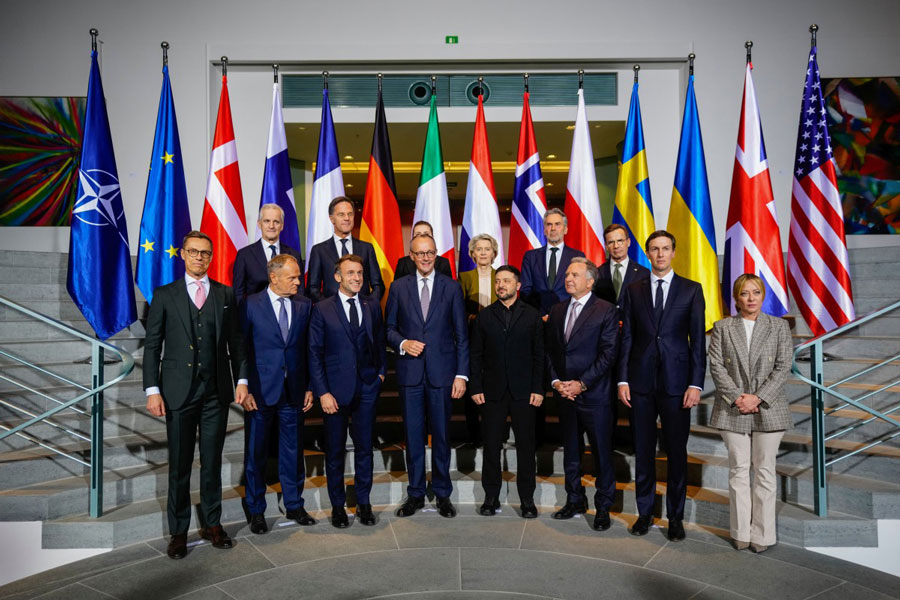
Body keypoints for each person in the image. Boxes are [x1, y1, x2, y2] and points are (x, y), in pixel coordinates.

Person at [143, 230, 249, 559]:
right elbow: (152, 347)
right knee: (179, 464)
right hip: (177, 393)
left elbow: (236, 344)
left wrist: (241, 380)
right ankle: (178, 532)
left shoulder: (225, 294)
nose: (199, 258)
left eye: (205, 253)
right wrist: (152, 389)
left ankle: (212, 524)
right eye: (193, 252)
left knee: (212, 462)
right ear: (183, 255)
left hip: (215, 392)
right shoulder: (163, 294)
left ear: (211, 256)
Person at [618, 230, 706, 541]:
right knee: (643, 451)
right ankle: (645, 514)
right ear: (647, 252)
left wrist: (696, 383)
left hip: (677, 384)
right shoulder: (633, 289)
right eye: (654, 249)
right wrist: (623, 378)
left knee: (676, 453)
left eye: (665, 248)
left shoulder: (691, 290)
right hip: (640, 383)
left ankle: (676, 517)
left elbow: (697, 343)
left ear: (673, 252)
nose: (659, 254)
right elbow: (626, 337)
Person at [708, 273, 794, 553]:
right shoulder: (722, 327)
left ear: (763, 295)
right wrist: (738, 398)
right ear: (736, 297)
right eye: (745, 293)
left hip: (769, 407)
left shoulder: (779, 327)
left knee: (766, 472)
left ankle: (763, 535)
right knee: (738, 471)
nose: (751, 298)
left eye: (756, 292)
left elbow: (783, 367)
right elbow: (717, 367)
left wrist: (758, 397)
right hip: (732, 409)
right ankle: (740, 531)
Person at [385, 234, 469, 518]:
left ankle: (443, 494)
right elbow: (388, 328)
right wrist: (403, 343)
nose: (425, 258)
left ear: (436, 255)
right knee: (414, 436)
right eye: (420, 254)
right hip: (410, 375)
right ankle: (416, 493)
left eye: (430, 253)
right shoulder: (398, 287)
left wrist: (461, 375)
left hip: (442, 375)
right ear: (411, 256)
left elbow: (461, 335)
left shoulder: (452, 287)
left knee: (442, 437)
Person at [240, 254, 315, 535]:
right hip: (259, 391)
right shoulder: (250, 305)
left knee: (293, 453)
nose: (298, 281)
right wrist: (243, 384)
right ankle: (256, 510)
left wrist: (310, 386)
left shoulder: (305, 305)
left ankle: (295, 505)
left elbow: (309, 349)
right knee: (257, 453)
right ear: (274, 277)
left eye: (298, 277)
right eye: (292, 277)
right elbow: (242, 348)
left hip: (294, 391)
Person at [309, 255, 386, 529]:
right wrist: (323, 392)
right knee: (335, 452)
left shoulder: (371, 304)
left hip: (367, 388)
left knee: (365, 449)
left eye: (360, 272)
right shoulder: (322, 308)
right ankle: (338, 506)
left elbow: (379, 342)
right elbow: (314, 354)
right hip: (335, 393)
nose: (356, 277)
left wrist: (380, 374)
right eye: (350, 273)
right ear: (338, 277)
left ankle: (363, 503)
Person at [545, 258, 619, 530]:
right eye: (566, 274)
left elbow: (609, 353)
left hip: (594, 395)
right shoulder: (556, 309)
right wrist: (556, 382)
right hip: (564, 395)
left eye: (574, 275)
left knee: (601, 453)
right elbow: (550, 351)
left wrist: (580, 383)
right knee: (572, 453)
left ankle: (603, 507)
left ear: (590, 281)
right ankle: (575, 499)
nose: (568, 279)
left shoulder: (606, 310)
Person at [469, 265, 544, 518]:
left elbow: (539, 356)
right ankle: (491, 497)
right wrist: (476, 387)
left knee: (526, 446)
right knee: (491, 446)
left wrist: (538, 388)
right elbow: (475, 355)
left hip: (525, 392)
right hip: (492, 392)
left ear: (518, 285)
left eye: (506, 281)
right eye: (497, 281)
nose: (501, 285)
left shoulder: (532, 316)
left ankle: (527, 500)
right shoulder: (485, 316)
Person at [457, 233, 499, 445]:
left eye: (487, 248)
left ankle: (494, 436)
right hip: (472, 339)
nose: (483, 252)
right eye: (479, 249)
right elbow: (457, 310)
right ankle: (474, 436)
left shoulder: (501, 276)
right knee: (473, 388)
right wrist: (475, 318)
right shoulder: (464, 277)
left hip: (498, 342)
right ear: (472, 254)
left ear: (494, 253)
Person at [306, 196, 384, 301]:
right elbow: (312, 288)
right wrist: (328, 308)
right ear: (332, 219)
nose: (347, 218)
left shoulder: (367, 248)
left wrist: (368, 306)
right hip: (331, 314)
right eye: (341, 214)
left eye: (350, 214)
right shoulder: (319, 250)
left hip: (362, 311)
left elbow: (378, 285)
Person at [232, 203, 303, 306]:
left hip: (286, 313)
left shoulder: (294, 254)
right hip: (255, 314)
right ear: (259, 224)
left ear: (282, 226)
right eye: (267, 221)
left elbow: (299, 290)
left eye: (276, 222)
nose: (271, 226)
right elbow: (238, 292)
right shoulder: (244, 255)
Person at [520, 208, 585, 317]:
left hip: (567, 316)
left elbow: (580, 289)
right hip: (537, 317)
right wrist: (539, 314)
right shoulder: (530, 257)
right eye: (549, 225)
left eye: (557, 224)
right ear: (544, 230)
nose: (553, 228)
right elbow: (525, 290)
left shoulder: (577, 256)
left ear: (565, 229)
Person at [593, 223, 650, 308]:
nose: (616, 246)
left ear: (628, 242)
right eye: (611, 242)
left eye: (620, 241)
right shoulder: (597, 273)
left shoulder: (643, 273)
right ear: (606, 246)